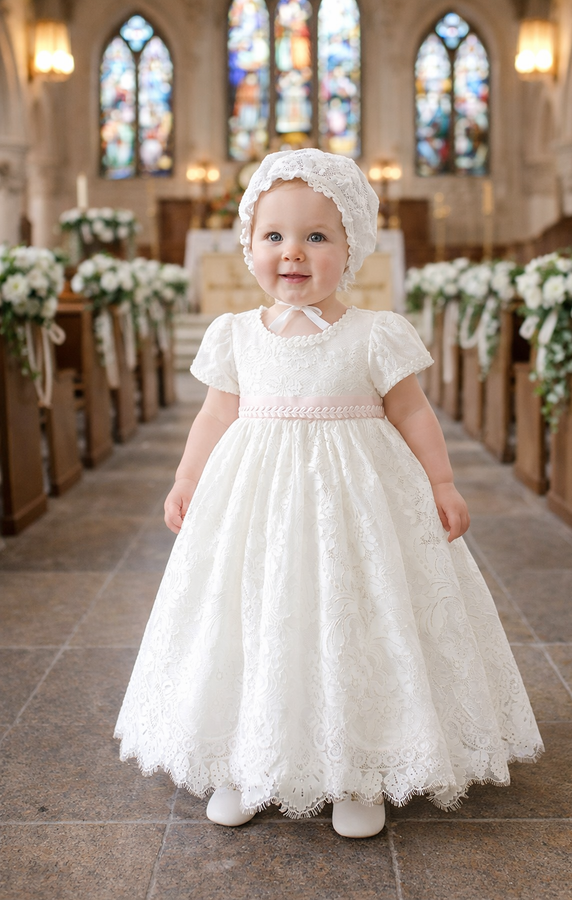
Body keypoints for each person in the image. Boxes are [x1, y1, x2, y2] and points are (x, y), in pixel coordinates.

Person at [115, 148, 543, 839]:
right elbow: (217, 415)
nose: (293, 253)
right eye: (274, 236)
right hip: (256, 509)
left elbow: (411, 413)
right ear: (248, 245)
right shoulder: (236, 336)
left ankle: (360, 767)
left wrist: (440, 480)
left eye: (317, 236)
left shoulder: (375, 333)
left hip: (358, 511)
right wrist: (187, 478)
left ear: (351, 249)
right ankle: (245, 761)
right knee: (252, 617)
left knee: (356, 620)